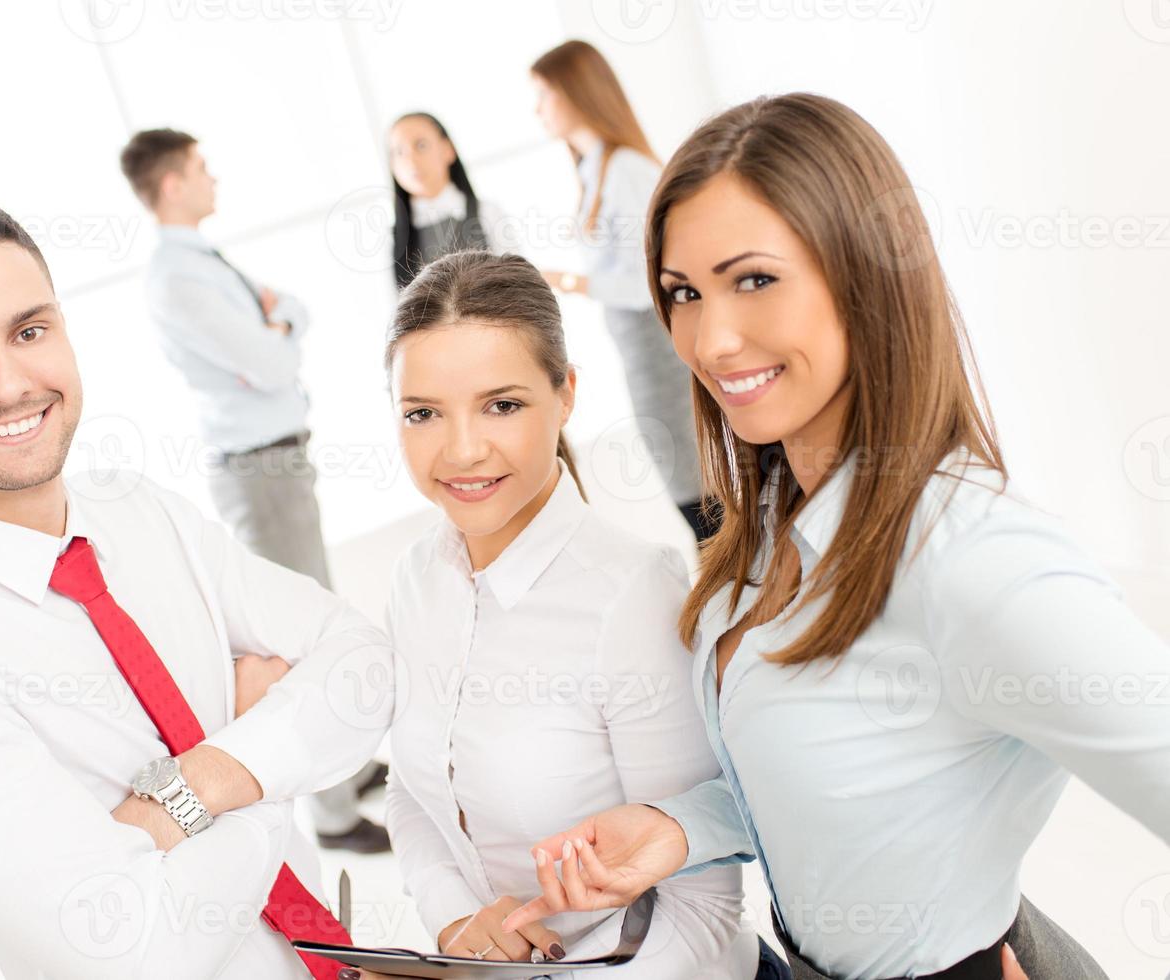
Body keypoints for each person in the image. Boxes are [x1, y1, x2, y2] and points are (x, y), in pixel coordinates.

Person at [500, 94, 1170, 980]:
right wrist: (680, 828)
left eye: (754, 279)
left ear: (867, 274)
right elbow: (849, 771)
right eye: (683, 292)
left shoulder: (975, 562)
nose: (711, 337)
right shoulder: (773, 525)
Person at [0, 186, 395, 979]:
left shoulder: (140, 510)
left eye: (29, 330)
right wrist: (270, 763)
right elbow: (127, 950)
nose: (8, 384)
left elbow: (361, 665)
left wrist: (201, 783)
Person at [365, 250, 785, 980]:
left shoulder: (633, 594)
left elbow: (705, 914)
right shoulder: (414, 581)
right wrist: (458, 924)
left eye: (502, 405)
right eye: (423, 413)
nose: (462, 449)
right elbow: (412, 786)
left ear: (565, 395)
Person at [120, 128, 389, 853]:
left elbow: (292, 311)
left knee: (317, 615)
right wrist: (273, 331)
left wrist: (276, 325)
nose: (216, 179)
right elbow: (269, 362)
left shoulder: (201, 262)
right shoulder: (176, 279)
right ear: (172, 183)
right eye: (202, 168)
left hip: (278, 460)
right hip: (258, 465)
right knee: (302, 638)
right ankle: (330, 813)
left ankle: (344, 774)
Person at [530, 40, 716, 544]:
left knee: (696, 489)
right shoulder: (595, 169)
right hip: (639, 350)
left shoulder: (629, 170)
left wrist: (569, 282)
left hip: (660, 349)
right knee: (684, 480)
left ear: (576, 92)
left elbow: (649, 277)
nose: (537, 109)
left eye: (544, 94)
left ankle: (738, 595)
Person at [388, 112, 517, 289]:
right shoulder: (391, 237)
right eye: (399, 152)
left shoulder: (486, 212)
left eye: (421, 145)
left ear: (448, 150)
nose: (411, 160)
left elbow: (517, 284)